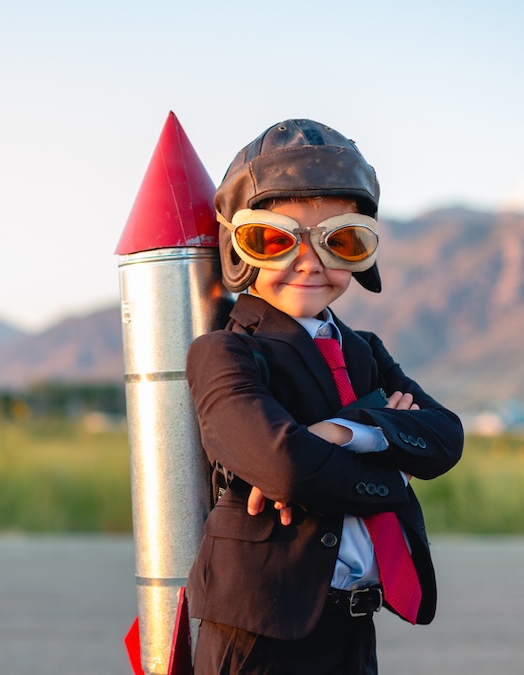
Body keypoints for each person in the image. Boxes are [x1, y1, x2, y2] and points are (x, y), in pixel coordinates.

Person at [185, 119, 463, 674]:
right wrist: (394, 471)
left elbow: (445, 437)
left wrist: (344, 432)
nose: (310, 262)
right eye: (274, 238)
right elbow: (286, 468)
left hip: (354, 628)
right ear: (239, 246)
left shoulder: (366, 352)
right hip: (263, 633)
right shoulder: (225, 354)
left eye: (339, 240)